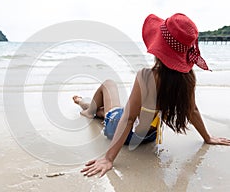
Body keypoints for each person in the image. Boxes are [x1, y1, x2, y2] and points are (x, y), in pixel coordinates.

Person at [72, 13, 230, 177]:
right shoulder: (187, 79)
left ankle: (87, 110)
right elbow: (193, 110)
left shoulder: (145, 76)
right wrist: (207, 137)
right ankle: (95, 110)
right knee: (108, 111)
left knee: (109, 85)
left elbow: (128, 119)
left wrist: (108, 158)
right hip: (149, 137)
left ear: (159, 46)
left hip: (122, 131)